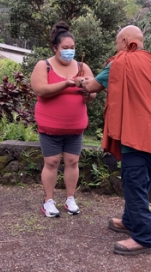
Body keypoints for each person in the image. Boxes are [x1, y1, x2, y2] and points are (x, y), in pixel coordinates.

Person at [75, 25, 151, 255]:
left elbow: (92, 86)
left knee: (134, 185)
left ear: (126, 41)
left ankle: (144, 238)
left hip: (137, 135)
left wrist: (80, 81)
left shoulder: (121, 61)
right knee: (138, 182)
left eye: (117, 43)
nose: (116, 49)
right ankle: (129, 221)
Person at [30, 21, 96, 218]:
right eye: (65, 48)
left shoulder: (83, 67)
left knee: (72, 161)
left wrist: (86, 88)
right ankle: (48, 200)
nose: (70, 51)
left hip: (75, 128)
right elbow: (40, 90)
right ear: (55, 48)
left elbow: (92, 96)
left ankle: (70, 198)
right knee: (51, 162)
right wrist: (66, 84)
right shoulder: (44, 65)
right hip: (50, 128)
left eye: (72, 48)